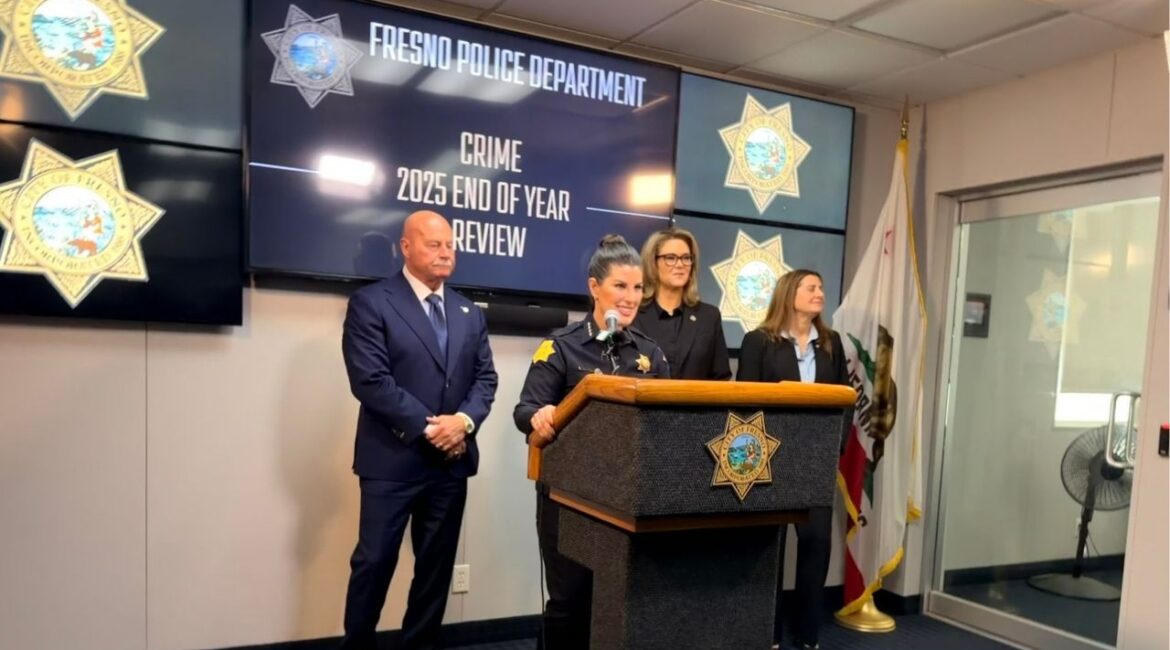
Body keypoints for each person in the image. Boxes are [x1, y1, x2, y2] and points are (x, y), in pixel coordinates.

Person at [339, 210, 498, 650]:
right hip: (392, 462)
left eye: (450, 244)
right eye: (434, 244)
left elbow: (485, 379)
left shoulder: (468, 311)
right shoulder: (372, 303)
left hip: (450, 465)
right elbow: (370, 381)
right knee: (374, 564)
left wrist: (463, 423)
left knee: (435, 569)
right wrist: (433, 429)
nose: (446, 251)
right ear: (406, 248)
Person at [514, 235, 669, 650]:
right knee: (571, 602)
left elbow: (669, 421)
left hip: (628, 500)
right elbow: (525, 410)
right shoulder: (561, 346)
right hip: (569, 499)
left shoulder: (650, 355)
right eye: (620, 286)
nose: (631, 297)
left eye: (638, 288)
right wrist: (540, 416)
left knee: (621, 602)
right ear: (594, 287)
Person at [736, 269, 848, 650]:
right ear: (790, 293)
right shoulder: (759, 341)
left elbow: (845, 401)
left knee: (816, 544)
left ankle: (807, 637)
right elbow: (745, 401)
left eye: (821, 287)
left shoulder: (831, 343)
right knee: (770, 548)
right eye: (811, 287)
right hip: (768, 459)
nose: (820, 293)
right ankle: (766, 636)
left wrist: (836, 448)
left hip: (816, 459)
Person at [633, 227, 731, 380]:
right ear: (653, 262)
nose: (680, 265)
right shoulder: (633, 314)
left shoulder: (709, 317)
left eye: (686, 258)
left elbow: (721, 378)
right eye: (671, 258)